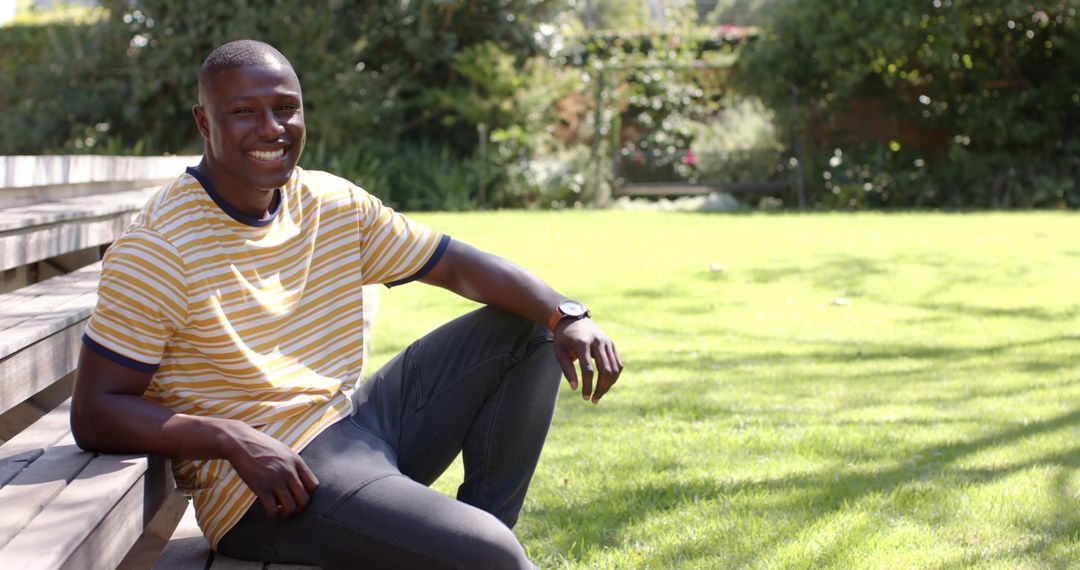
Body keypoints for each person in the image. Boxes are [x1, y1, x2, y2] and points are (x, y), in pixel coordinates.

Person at [70, 39, 622, 569]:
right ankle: (479, 553)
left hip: (354, 423)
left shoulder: (331, 203)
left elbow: (453, 264)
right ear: (204, 122)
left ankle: (469, 545)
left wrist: (565, 312)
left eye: (286, 109)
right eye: (244, 111)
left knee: (533, 328)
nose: (271, 128)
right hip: (268, 491)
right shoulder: (159, 248)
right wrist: (227, 437)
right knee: (492, 554)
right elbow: (96, 412)